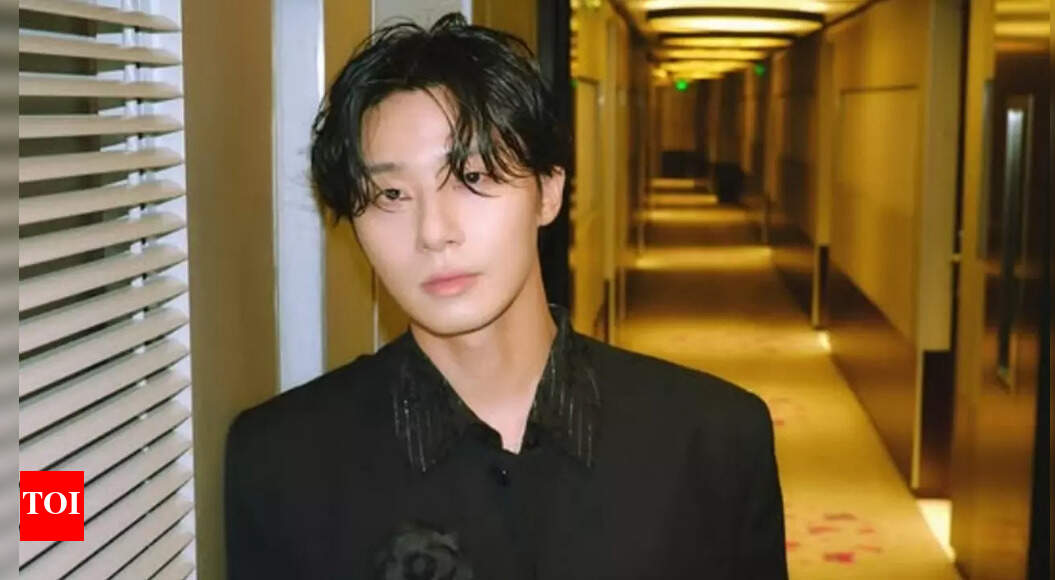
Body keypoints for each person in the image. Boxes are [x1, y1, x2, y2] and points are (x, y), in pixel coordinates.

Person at [224, 13, 786, 579]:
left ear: (548, 192)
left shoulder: (714, 440)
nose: (433, 232)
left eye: (473, 177)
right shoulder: (281, 464)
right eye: (390, 194)